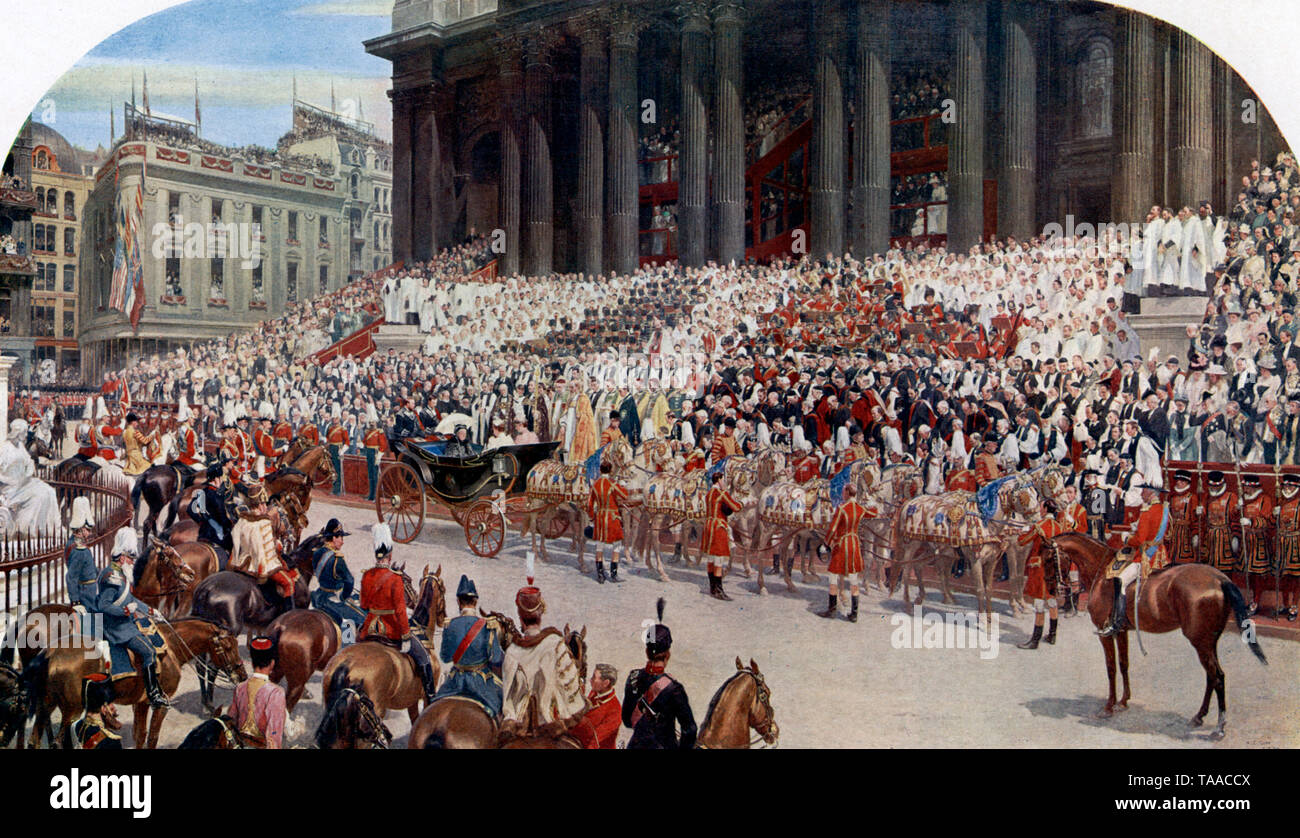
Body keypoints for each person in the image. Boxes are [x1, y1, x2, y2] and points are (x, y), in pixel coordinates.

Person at [499, 560, 588, 741]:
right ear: (541, 615)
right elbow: (569, 684)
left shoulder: (512, 650)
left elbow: (508, 694)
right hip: (549, 723)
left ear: (521, 619)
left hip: (519, 725)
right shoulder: (555, 643)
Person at [359, 522, 438, 704]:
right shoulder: (395, 578)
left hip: (369, 629)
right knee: (424, 658)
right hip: (390, 630)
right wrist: (405, 635)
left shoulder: (366, 575)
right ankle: (431, 696)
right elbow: (401, 611)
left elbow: (363, 604)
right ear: (390, 555)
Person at [92, 527, 170, 708]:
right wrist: (126, 611)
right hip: (116, 628)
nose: (133, 561)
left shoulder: (120, 574)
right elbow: (103, 606)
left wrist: (150, 611)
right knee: (148, 652)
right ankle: (153, 694)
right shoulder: (112, 577)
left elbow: (131, 599)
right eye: (131, 557)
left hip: (124, 622)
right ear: (121, 556)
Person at [623, 598, 696, 749]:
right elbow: (689, 730)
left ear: (646, 651)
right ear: (668, 654)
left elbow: (627, 721)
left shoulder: (633, 677)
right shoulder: (675, 689)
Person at [1099, 484, 1170, 636]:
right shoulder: (1163, 510)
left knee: (1120, 580)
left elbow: (1139, 540)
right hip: (1160, 555)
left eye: (1143, 491)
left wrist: (1126, 538)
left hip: (1146, 557)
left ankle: (1117, 623)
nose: (1141, 494)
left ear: (1150, 493)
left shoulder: (1147, 511)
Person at [434, 574, 505, 716]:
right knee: (501, 706)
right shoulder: (488, 625)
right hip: (481, 683)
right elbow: (496, 658)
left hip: (454, 682)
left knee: (434, 705)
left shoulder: (450, 625)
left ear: (459, 602)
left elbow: (445, 657)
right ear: (475, 602)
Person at [227, 483, 296, 601]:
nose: (265, 507)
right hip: (259, 566)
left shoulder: (242, 519)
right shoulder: (264, 523)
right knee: (289, 582)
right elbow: (267, 551)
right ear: (259, 505)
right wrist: (278, 545)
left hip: (242, 562)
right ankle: (288, 616)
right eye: (264, 503)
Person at [1016, 499, 1065, 649]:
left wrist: (1022, 532)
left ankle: (1034, 641)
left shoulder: (1039, 526)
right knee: (1051, 602)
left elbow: (1022, 541)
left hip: (1040, 570)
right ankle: (1052, 635)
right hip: (1054, 569)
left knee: (1039, 604)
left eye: (1041, 507)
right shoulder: (1059, 527)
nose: (1040, 509)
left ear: (1044, 509)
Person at [819, 484, 872, 622]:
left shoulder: (842, 509)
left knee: (832, 578)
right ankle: (854, 614)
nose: (842, 494)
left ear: (848, 492)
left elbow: (832, 529)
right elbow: (874, 513)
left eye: (843, 492)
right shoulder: (861, 509)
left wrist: (825, 544)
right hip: (854, 545)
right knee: (854, 580)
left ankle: (831, 610)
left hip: (842, 545)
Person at [228, 636, 287, 748]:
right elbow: (274, 734)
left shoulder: (240, 688)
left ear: (252, 663)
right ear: (272, 663)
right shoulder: (276, 692)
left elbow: (232, 720)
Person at [310, 518, 365, 637]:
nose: (342, 542)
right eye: (341, 538)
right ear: (334, 538)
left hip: (320, 594)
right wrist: (343, 597)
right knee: (361, 618)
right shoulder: (337, 558)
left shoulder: (317, 553)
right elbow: (349, 581)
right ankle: (347, 645)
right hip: (334, 598)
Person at [702, 469, 742, 601]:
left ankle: (712, 588)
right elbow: (735, 507)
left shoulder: (708, 494)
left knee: (710, 558)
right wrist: (742, 502)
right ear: (719, 480)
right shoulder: (721, 493)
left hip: (708, 526)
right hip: (718, 527)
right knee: (718, 559)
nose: (724, 482)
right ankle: (719, 591)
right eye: (723, 479)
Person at [587, 460, 629, 584]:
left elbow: (589, 504)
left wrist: (591, 518)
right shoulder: (612, 483)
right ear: (611, 471)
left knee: (599, 546)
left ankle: (600, 575)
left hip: (600, 517)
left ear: (600, 470)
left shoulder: (595, 484)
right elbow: (624, 495)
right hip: (612, 517)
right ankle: (614, 574)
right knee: (616, 546)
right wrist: (622, 484)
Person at [1238, 474, 1274, 615]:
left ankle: (1257, 600)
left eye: (1248, 487)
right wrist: (1238, 509)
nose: (1245, 489)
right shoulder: (1243, 500)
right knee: (1249, 573)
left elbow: (1267, 520)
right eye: (1245, 486)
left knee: (1258, 574)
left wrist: (1252, 522)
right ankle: (1251, 599)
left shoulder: (1264, 500)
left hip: (1259, 541)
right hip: (1246, 541)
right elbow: (1236, 518)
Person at [64, 497, 98, 631]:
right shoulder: (79, 551)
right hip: (85, 593)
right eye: (88, 529)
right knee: (92, 628)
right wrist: (76, 601)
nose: (89, 533)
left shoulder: (73, 541)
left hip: (87, 589)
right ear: (82, 528)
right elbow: (71, 577)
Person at [572, 663, 621, 749]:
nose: (590, 680)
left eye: (594, 678)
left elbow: (596, 740)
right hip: (578, 741)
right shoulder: (595, 693)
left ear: (606, 683)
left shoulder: (615, 710)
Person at [189, 463, 235, 554]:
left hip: (203, 532)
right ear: (216, 479)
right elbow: (222, 518)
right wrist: (231, 525)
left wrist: (201, 520)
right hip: (216, 536)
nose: (222, 481)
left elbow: (190, 510)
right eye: (221, 479)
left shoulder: (201, 492)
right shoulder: (216, 496)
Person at [70, 673, 122, 750]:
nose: (114, 708)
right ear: (103, 709)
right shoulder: (111, 741)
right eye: (111, 703)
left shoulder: (73, 727)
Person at [1276, 472, 1300, 621]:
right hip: (1282, 544)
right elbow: (1274, 525)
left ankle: (1294, 605)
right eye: (1285, 485)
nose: (1287, 488)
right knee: (1283, 577)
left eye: (1290, 486)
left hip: (1296, 544)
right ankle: (1284, 604)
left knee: (1296, 578)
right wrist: (1274, 516)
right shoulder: (1280, 503)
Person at [120, 412, 154, 476]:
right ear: (133, 422)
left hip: (129, 454)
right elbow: (145, 441)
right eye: (136, 422)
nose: (137, 424)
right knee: (149, 467)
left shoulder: (125, 432)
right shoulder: (135, 432)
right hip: (136, 455)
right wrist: (152, 435)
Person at [362, 422, 387, 501]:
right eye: (370, 422)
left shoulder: (379, 432)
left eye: (373, 421)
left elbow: (383, 445)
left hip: (375, 453)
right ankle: (371, 495)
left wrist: (379, 456)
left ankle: (376, 496)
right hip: (369, 453)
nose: (371, 423)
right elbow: (364, 442)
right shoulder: (368, 432)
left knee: (375, 475)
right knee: (370, 474)